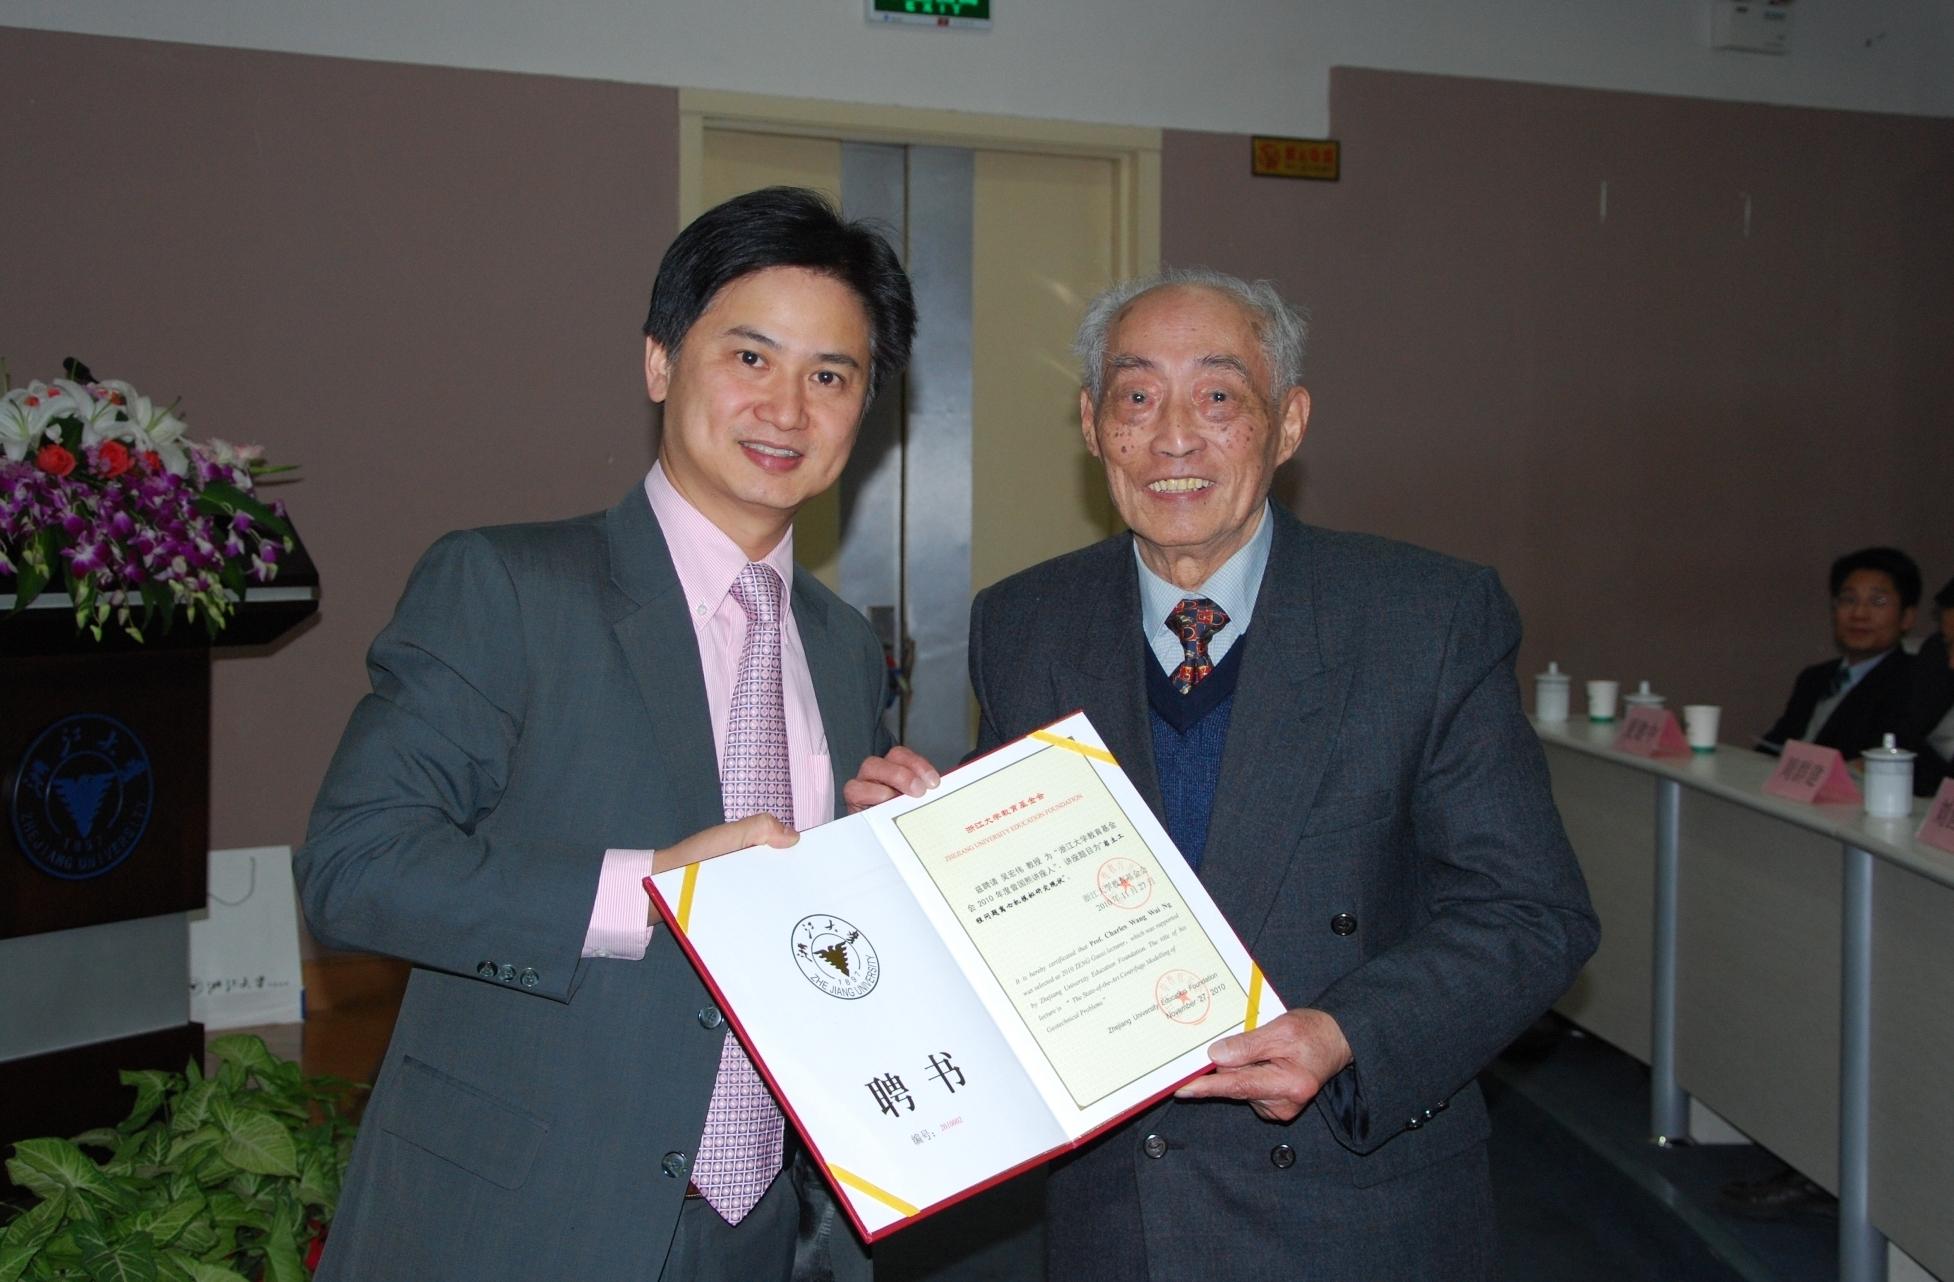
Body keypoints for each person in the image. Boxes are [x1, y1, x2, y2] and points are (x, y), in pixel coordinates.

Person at [853, 269, 1599, 1280]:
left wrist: (1347, 1032)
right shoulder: (1026, 620)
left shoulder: (1423, 617)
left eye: (1217, 396)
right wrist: (909, 841)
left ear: (1286, 423)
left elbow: (1530, 911)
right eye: (1136, 395)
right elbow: (1027, 901)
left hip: (1346, 1199)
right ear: (1091, 423)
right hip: (1118, 1204)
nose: (1173, 437)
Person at [295, 187, 914, 1282]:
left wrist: (898, 865)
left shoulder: (844, 650)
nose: (787, 408)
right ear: (660, 363)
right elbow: (353, 871)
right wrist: (651, 885)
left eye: (832, 375)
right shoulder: (507, 587)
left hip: (765, 1230)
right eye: (750, 357)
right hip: (524, 1219)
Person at [1757, 546, 1922, 762]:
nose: (1859, 614)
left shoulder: (1915, 682)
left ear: (1907, 617)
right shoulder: (1814, 678)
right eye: (1848, 600)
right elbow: (1773, 747)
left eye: (1877, 602)